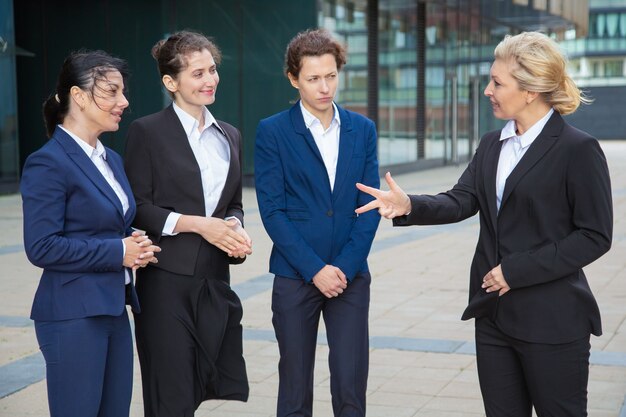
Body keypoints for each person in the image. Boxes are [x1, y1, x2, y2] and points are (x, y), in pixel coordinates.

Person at [356, 31, 613, 416]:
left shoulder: (578, 149)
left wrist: (516, 270)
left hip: (553, 321)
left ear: (529, 90)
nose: (487, 90)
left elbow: (595, 236)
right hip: (494, 317)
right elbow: (462, 200)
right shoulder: (493, 143)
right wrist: (409, 204)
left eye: (497, 82)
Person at [20, 50, 160, 417]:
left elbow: (108, 225)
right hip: (72, 316)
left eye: (122, 92)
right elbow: (42, 246)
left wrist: (134, 242)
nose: (124, 102)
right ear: (78, 96)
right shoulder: (47, 162)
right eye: (111, 92)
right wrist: (118, 252)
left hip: (114, 308)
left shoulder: (110, 159)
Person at [124, 30, 251, 417]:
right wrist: (198, 224)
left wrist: (234, 226)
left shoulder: (229, 135)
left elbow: (233, 202)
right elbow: (137, 208)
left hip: (213, 281)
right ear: (170, 82)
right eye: (197, 73)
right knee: (171, 395)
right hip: (165, 281)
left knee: (202, 384)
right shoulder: (146, 132)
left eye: (212, 70)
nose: (209, 80)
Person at [255, 28, 381, 417]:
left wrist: (341, 268)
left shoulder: (362, 129)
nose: (324, 87)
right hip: (295, 276)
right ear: (294, 79)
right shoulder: (272, 131)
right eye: (313, 79)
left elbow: (369, 206)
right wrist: (315, 270)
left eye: (331, 76)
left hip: (350, 275)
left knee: (350, 384)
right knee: (294, 388)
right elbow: (272, 212)